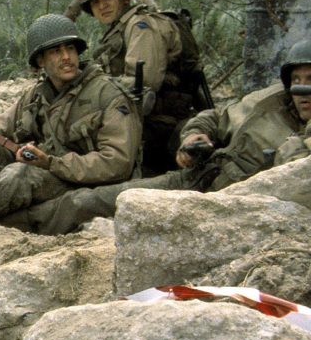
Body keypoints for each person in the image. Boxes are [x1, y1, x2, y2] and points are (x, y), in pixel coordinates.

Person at [22, 38, 311, 236]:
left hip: (233, 208)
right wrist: (194, 137)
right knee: (91, 201)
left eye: (310, 81)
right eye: (296, 80)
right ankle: (5, 227)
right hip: (201, 176)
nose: (302, 91)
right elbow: (214, 118)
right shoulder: (269, 105)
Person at [0, 13, 141, 222]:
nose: (66, 57)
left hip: (75, 181)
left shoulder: (108, 95)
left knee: (20, 174)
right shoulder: (37, 94)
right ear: (41, 61)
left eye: (71, 49)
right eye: (56, 51)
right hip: (46, 169)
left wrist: (51, 163)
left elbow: (118, 162)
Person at [78, 0, 207, 172]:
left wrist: (96, 86)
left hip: (159, 122)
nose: (102, 6)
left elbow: (143, 85)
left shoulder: (141, 26)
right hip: (142, 119)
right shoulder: (118, 31)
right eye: (96, 2)